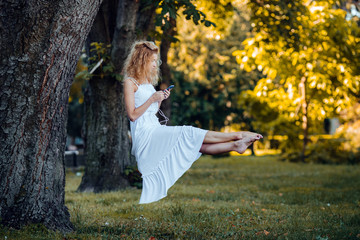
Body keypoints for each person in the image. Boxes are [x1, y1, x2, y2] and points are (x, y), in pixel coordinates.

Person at [123, 40, 263, 204]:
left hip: (154, 128)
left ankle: (235, 145)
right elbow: (132, 115)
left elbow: (151, 112)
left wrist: (159, 99)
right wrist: (153, 98)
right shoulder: (130, 83)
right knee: (189, 132)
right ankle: (237, 135)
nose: (155, 64)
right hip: (145, 135)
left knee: (197, 144)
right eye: (152, 61)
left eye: (156, 61)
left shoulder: (148, 83)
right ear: (142, 60)